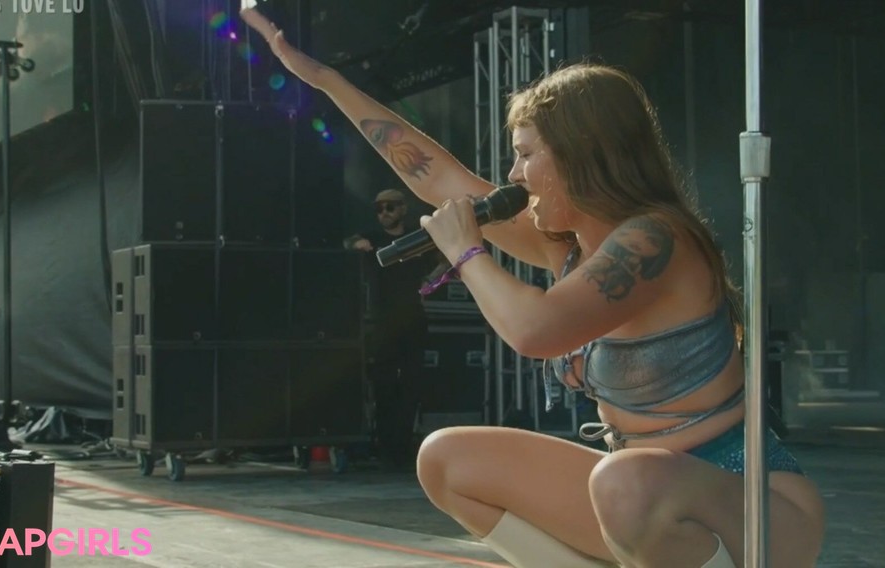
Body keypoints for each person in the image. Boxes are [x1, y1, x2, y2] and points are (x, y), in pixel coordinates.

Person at [240, 6, 825, 567]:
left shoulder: (656, 240)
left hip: (751, 503)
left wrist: (467, 252)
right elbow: (436, 176)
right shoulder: (566, 246)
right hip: (634, 489)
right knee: (448, 461)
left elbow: (536, 331)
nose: (514, 175)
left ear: (579, 156)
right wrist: (326, 80)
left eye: (525, 155)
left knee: (624, 481)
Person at [344, 188, 434, 468]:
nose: (384, 213)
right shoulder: (374, 238)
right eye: (379, 208)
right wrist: (356, 243)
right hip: (382, 320)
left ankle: (402, 447)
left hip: (412, 318)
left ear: (403, 208)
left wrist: (430, 282)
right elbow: (347, 241)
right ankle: (386, 447)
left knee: (411, 384)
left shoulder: (415, 239)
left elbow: (445, 258)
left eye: (390, 207)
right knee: (383, 384)